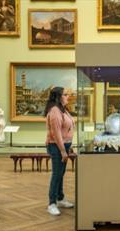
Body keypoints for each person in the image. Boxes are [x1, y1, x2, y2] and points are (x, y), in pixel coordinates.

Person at [44, 87, 75, 216]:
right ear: (58, 96)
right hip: (56, 147)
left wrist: (68, 147)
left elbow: (67, 129)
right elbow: (56, 134)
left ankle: (60, 198)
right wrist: (63, 151)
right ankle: (51, 203)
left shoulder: (63, 109)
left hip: (63, 146)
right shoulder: (55, 111)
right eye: (65, 94)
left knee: (61, 173)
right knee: (57, 174)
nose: (68, 96)